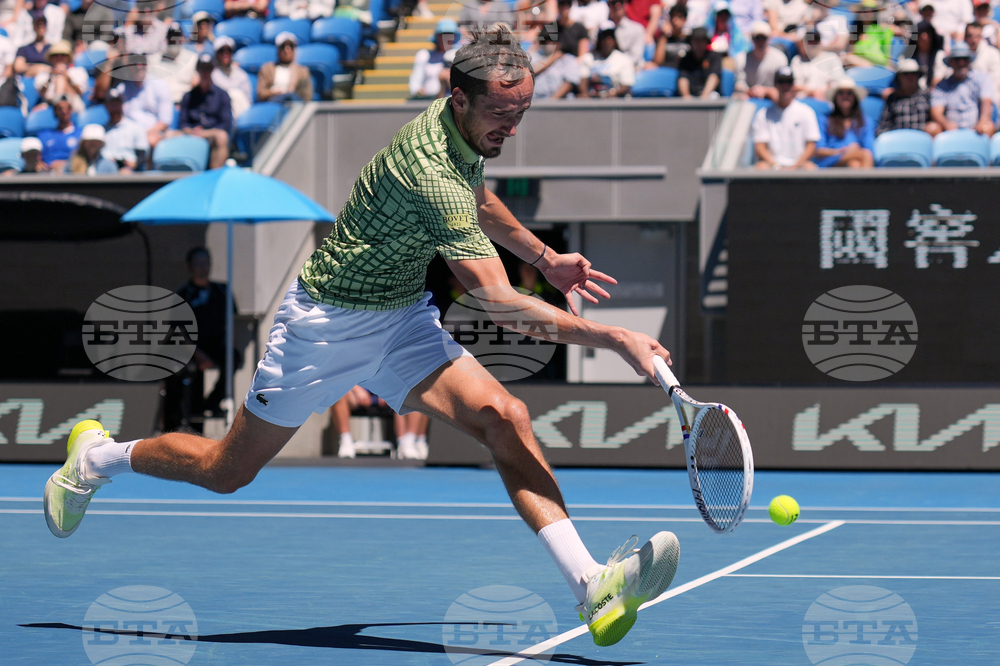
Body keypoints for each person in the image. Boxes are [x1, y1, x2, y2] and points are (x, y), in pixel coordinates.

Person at [44, 24, 680, 651]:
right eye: (500, 114)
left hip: (402, 318)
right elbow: (500, 306)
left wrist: (542, 257)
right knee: (226, 470)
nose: (511, 128)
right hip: (324, 327)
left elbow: (478, 198)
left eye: (521, 113)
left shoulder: (458, 128)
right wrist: (616, 337)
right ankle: (97, 457)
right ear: (459, 98)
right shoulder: (430, 170)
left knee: (505, 415)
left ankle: (591, 584)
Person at [163, 247, 239, 433]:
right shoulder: (183, 294)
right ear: (190, 266)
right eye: (198, 264)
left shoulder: (221, 291)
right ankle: (190, 421)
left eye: (206, 263)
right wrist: (200, 355)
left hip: (214, 345)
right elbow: (178, 330)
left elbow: (232, 321)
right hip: (190, 349)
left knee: (233, 357)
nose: (203, 268)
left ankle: (212, 402)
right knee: (191, 370)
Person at [752, 65, 819, 169]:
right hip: (773, 164)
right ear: (775, 85)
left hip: (799, 164)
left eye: (789, 82)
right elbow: (760, 146)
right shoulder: (763, 114)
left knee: (810, 168)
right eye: (781, 82)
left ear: (794, 85)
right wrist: (776, 166)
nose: (785, 86)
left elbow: (811, 145)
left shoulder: (806, 112)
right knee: (761, 167)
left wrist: (794, 166)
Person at [177, 53, 232, 168]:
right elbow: (182, 122)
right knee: (168, 135)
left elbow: (226, 124)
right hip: (191, 134)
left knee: (222, 137)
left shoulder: (222, 95)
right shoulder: (189, 96)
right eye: (202, 69)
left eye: (208, 69)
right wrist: (191, 131)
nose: (205, 73)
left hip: (212, 134)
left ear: (212, 71)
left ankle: (213, 175)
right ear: (198, 70)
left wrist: (205, 133)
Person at [931, 42, 996, 135]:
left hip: (976, 129)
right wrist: (946, 124)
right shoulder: (942, 86)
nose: (961, 63)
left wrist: (982, 121)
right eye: (957, 59)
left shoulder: (982, 78)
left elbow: (987, 102)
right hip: (949, 130)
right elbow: (936, 111)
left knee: (988, 127)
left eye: (965, 59)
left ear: (969, 60)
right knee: (932, 128)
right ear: (951, 62)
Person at [813, 78, 874, 168]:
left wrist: (854, 151)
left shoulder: (865, 121)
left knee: (854, 164)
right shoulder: (824, 119)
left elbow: (869, 147)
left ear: (855, 97)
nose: (845, 97)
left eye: (849, 93)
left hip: (857, 160)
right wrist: (842, 151)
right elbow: (818, 151)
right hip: (830, 162)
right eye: (841, 93)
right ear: (835, 97)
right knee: (865, 155)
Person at [118, 55, 174, 149]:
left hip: (152, 132)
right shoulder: (122, 88)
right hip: (128, 133)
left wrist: (141, 134)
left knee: (150, 140)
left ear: (147, 65)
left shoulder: (160, 85)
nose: (139, 66)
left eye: (142, 63)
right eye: (135, 63)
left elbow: (165, 121)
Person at [878, 58, 937, 135]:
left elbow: (935, 121)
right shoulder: (892, 98)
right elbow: (883, 126)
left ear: (918, 76)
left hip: (922, 140)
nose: (910, 78)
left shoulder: (927, 95)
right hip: (899, 140)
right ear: (899, 78)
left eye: (913, 73)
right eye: (906, 74)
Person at [734, 20, 787, 100]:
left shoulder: (780, 59)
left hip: (773, 102)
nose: (760, 42)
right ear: (752, 39)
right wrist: (751, 91)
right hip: (750, 99)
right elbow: (739, 85)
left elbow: (784, 88)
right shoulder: (742, 59)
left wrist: (765, 91)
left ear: (769, 39)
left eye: (764, 38)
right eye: (757, 38)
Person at [102, 86, 149, 171]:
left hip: (130, 170)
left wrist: (134, 164)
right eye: (111, 103)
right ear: (106, 106)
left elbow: (142, 154)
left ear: (122, 104)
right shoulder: (101, 130)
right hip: (107, 170)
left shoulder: (136, 127)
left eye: (117, 103)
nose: (114, 107)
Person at [790, 26, 844, 99]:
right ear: (804, 43)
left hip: (827, 99)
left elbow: (837, 83)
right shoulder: (797, 60)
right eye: (810, 40)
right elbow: (796, 86)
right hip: (803, 100)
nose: (813, 43)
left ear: (820, 42)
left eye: (816, 40)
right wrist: (813, 92)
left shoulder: (832, 58)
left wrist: (823, 93)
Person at [257, 31, 313, 102]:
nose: (287, 50)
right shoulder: (267, 68)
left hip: (294, 103)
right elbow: (260, 93)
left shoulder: (302, 71)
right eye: (283, 47)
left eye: (291, 46)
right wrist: (273, 92)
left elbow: (307, 96)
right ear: (278, 50)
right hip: (273, 101)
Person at [34, 39, 88, 113]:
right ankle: (58, 106)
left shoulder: (78, 71)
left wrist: (67, 77)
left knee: (60, 78)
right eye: (55, 55)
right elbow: (41, 93)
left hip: (74, 106)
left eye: (63, 55)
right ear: (51, 58)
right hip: (50, 106)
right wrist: (50, 78)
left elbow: (80, 92)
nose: (59, 58)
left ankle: (59, 106)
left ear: (68, 57)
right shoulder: (44, 74)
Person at [579, 27, 636, 97]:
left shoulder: (624, 59)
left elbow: (626, 85)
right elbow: (583, 80)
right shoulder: (588, 58)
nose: (607, 41)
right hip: (593, 100)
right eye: (604, 38)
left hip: (615, 100)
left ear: (615, 40)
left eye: (610, 38)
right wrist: (585, 93)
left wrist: (611, 93)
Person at [409, 18, 458, 99]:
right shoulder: (424, 55)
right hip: (428, 102)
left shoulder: (460, 56)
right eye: (443, 35)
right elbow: (415, 86)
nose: (447, 38)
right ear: (437, 37)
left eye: (450, 34)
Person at [528, 29, 581, 99]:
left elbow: (569, 83)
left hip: (560, 105)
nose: (548, 43)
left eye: (551, 40)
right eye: (544, 41)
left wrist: (552, 101)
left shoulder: (568, 59)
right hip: (534, 102)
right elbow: (527, 73)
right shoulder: (532, 56)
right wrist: (552, 59)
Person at [211, 36, 252, 120]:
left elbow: (248, 100)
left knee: (237, 94)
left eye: (228, 51)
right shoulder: (212, 75)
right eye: (222, 51)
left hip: (241, 113)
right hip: (220, 114)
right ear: (217, 54)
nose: (225, 54)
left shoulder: (241, 74)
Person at [37, 95, 80, 171]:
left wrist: (65, 164)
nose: (64, 111)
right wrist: (39, 163)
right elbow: (38, 158)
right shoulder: (44, 135)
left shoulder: (80, 134)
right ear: (54, 112)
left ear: (72, 110)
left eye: (67, 108)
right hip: (48, 174)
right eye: (60, 109)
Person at [678, 26, 721, 97]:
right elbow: (682, 79)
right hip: (691, 97)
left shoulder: (714, 56)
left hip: (710, 97)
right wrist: (686, 97)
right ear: (691, 42)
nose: (698, 44)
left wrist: (704, 97)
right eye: (696, 40)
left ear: (706, 42)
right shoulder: (685, 59)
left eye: (701, 40)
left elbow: (714, 77)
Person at [608, 0, 646, 70]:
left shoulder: (637, 29)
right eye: (614, 2)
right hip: (607, 68)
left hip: (629, 69)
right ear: (608, 5)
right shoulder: (603, 28)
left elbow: (635, 57)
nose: (617, 5)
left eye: (621, 2)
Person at [13, 12, 49, 78]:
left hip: (48, 78)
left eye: (43, 25)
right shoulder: (24, 49)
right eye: (38, 24)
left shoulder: (52, 48)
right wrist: (37, 67)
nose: (41, 27)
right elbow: (18, 67)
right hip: (29, 78)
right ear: (34, 26)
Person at [652, 4, 689, 68]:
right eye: (673, 17)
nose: (675, 21)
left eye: (679, 17)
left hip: (683, 72)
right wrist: (663, 36)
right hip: (666, 70)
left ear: (685, 20)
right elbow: (657, 62)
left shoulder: (689, 39)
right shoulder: (663, 38)